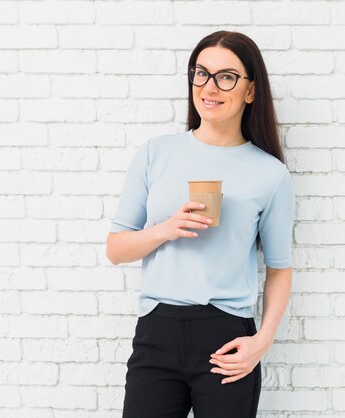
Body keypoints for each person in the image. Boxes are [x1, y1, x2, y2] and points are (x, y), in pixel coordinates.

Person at [106, 30, 295, 418]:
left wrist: (262, 341)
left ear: (250, 91)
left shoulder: (270, 174)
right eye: (201, 73)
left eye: (226, 76)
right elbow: (115, 249)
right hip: (156, 332)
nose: (210, 86)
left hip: (226, 337)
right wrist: (165, 229)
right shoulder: (156, 152)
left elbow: (279, 268)